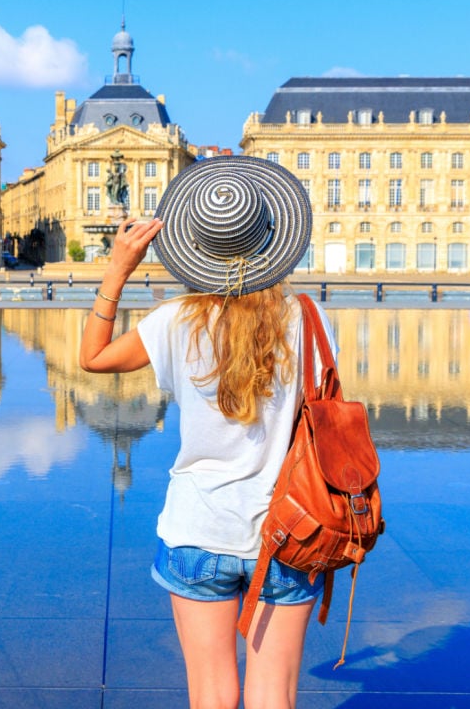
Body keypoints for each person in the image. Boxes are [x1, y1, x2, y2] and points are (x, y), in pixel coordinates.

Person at [79, 156, 337, 709]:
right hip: (288, 531)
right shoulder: (307, 319)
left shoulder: (176, 320)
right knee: (274, 698)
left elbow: (93, 357)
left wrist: (118, 268)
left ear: (198, 246)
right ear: (272, 238)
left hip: (196, 530)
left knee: (211, 696)